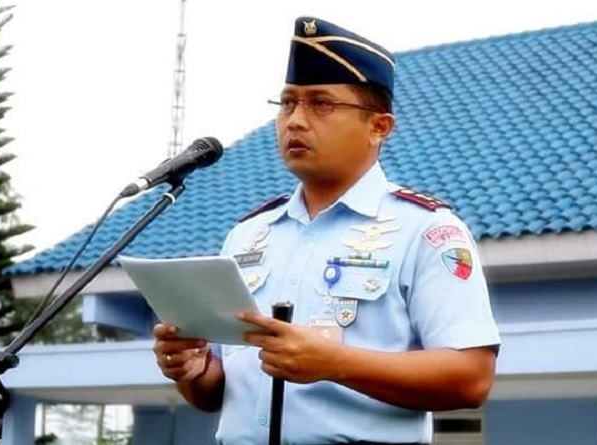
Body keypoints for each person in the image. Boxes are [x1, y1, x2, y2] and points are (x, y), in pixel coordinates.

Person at [153, 15, 500, 445]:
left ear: (379, 127)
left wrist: (336, 363)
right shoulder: (249, 235)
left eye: (321, 103)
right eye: (287, 103)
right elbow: (220, 393)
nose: (295, 120)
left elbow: (471, 379)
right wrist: (194, 370)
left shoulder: (425, 231)